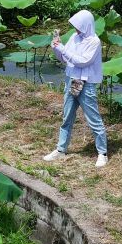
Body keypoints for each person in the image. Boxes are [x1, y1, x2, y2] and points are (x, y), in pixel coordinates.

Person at [43, 9, 109, 167]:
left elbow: (83, 61)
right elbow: (65, 58)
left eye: (79, 26)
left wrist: (63, 49)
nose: (76, 29)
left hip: (86, 84)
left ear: (86, 25)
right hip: (72, 81)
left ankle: (102, 153)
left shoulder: (94, 42)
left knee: (93, 119)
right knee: (67, 117)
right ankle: (61, 149)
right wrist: (56, 47)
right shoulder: (74, 37)